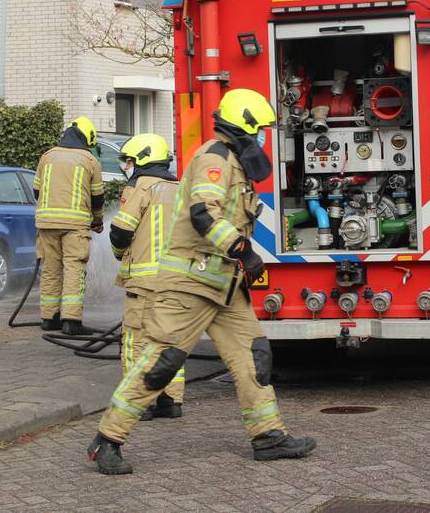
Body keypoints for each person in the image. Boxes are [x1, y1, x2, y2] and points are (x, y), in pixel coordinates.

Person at [88, 89, 316, 475]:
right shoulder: (215, 158)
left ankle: (268, 436)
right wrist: (244, 250)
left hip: (224, 286)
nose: (263, 137)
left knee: (254, 356)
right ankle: (107, 440)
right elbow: (203, 214)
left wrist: (241, 261)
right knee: (161, 363)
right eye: (259, 129)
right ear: (243, 127)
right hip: (190, 284)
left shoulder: (236, 164)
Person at [109, 133, 185, 421]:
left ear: (141, 160)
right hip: (176, 282)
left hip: (144, 282)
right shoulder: (179, 187)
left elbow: (121, 230)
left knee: (137, 342)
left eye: (128, 161)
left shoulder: (142, 186)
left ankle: (140, 402)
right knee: (171, 339)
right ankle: (171, 401)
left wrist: (119, 254)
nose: (125, 166)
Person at [33, 117, 105, 335]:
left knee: (51, 270)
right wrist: (98, 221)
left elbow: (36, 191)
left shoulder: (47, 156)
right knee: (74, 269)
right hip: (75, 225)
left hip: (46, 223)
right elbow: (97, 197)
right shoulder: (89, 160)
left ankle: (49, 317)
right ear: (87, 138)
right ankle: (71, 321)